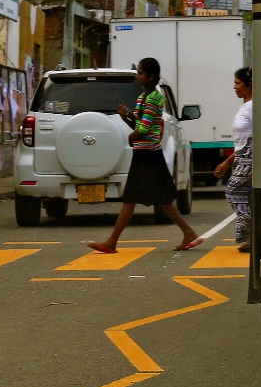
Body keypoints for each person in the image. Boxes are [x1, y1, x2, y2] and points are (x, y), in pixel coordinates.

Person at [86, 57, 201, 255]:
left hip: (149, 154)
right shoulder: (142, 98)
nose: (138, 76)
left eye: (141, 73)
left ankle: (112, 242)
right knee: (161, 199)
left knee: (132, 199)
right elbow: (139, 124)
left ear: (151, 77)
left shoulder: (155, 98)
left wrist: (132, 136)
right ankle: (188, 233)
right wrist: (127, 118)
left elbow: (144, 128)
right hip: (145, 153)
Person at [213, 66, 253, 251]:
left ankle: (251, 232)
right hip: (242, 157)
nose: (234, 87)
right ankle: (252, 236)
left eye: (238, 83)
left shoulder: (253, 107)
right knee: (242, 195)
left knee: (234, 192)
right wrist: (226, 163)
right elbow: (240, 141)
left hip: (249, 157)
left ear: (248, 85)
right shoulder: (246, 106)